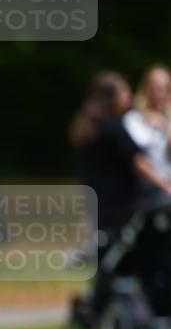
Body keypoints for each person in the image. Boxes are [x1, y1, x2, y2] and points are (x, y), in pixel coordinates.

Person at [69, 70, 171, 316]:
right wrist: (166, 187)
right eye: (124, 92)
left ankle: (98, 306)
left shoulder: (85, 130)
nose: (129, 97)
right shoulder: (114, 128)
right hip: (122, 208)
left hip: (100, 208)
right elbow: (139, 163)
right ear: (111, 98)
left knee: (108, 258)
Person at [123, 64, 171, 184]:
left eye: (166, 89)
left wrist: (165, 127)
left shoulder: (168, 119)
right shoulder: (133, 119)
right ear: (146, 89)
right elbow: (135, 159)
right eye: (156, 88)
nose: (161, 94)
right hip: (145, 187)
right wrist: (164, 186)